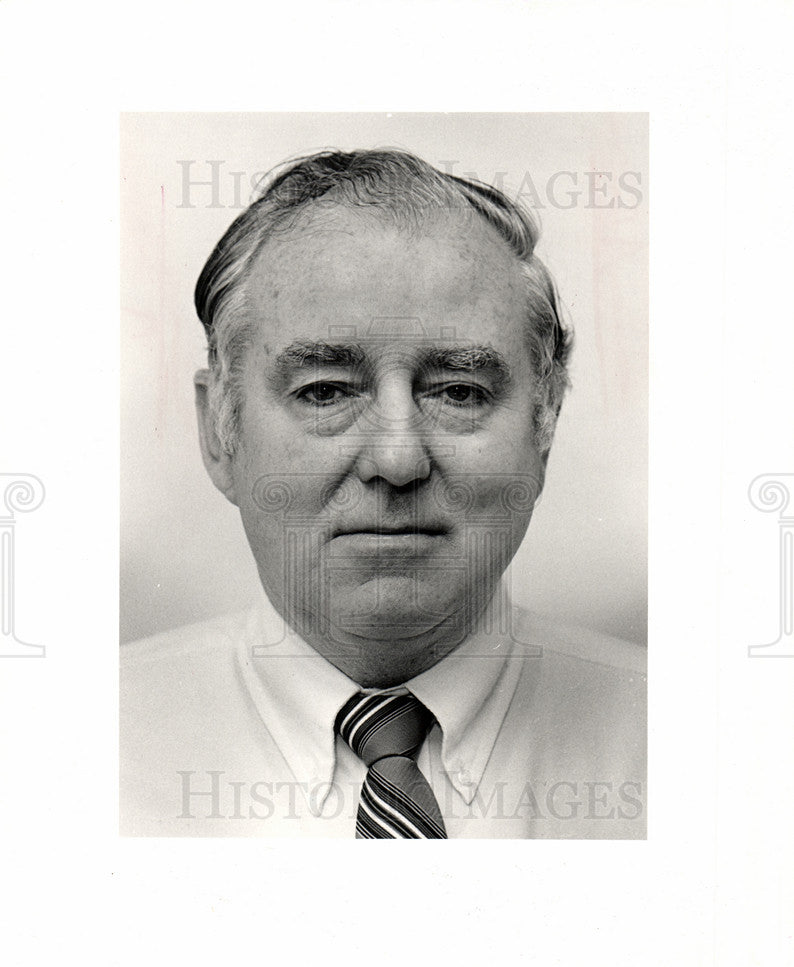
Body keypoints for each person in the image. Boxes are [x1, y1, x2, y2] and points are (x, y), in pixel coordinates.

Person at [120, 149, 646, 839]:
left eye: (459, 391)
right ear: (220, 429)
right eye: (326, 391)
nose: (397, 458)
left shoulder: (714, 743)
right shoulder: (56, 746)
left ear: (544, 423)